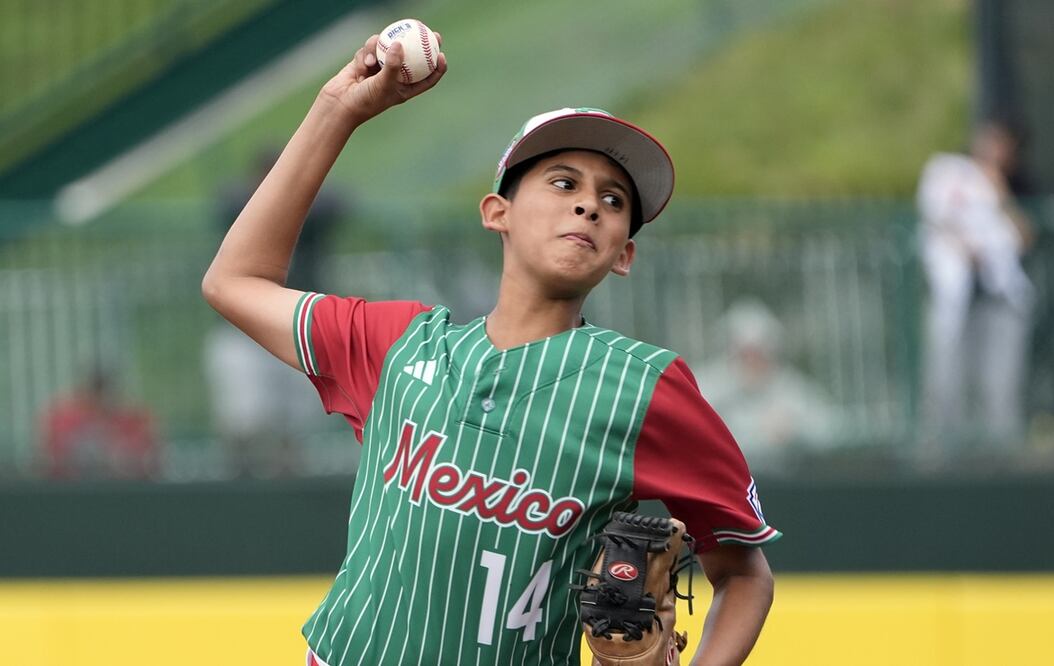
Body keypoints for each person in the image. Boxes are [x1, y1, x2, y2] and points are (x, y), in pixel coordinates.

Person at [202, 32, 779, 665]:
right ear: (496, 212)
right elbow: (235, 281)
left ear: (625, 254)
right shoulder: (398, 344)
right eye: (563, 184)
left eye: (614, 201)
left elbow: (745, 573)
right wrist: (338, 109)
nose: (589, 204)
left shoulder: (642, 390)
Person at [204, 149, 345, 477]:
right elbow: (225, 199)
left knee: (294, 424)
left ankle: (288, 478)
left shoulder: (311, 208)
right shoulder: (242, 206)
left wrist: (298, 191)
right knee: (244, 419)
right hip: (242, 330)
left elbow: (339, 202)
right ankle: (239, 479)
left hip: (292, 328)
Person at [917, 120, 1035, 456]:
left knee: (998, 390)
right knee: (945, 385)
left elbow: (1026, 236)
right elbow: (936, 219)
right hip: (952, 299)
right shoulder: (947, 172)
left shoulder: (1014, 183)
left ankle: (1000, 461)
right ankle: (943, 458)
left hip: (997, 298)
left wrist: (1000, 193)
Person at [695, 299, 844, 468]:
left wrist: (793, 431)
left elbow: (829, 428)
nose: (752, 361)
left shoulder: (790, 387)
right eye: (745, 353)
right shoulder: (710, 385)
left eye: (758, 353)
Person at [39, 367, 159, 480]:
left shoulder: (131, 420)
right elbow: (53, 458)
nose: (100, 399)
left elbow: (148, 457)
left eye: (106, 392)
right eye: (96, 392)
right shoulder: (63, 418)